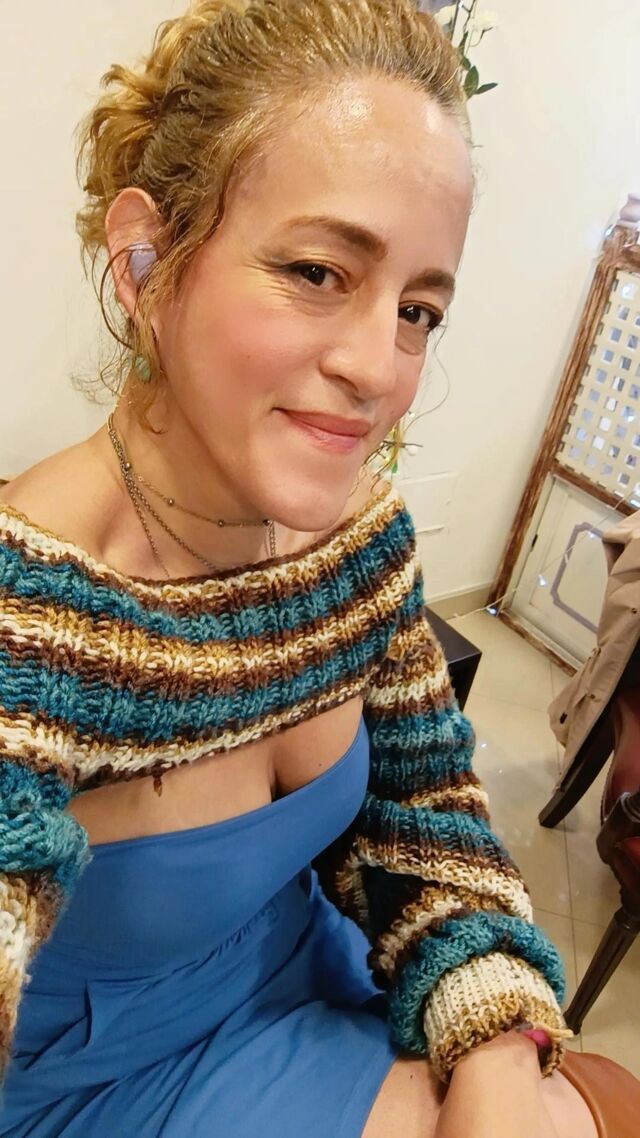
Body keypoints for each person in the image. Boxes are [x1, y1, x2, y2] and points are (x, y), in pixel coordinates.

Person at [0, 1, 636, 1135]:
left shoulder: (358, 546)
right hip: (105, 1088)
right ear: (146, 262)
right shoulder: (28, 635)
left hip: (320, 980)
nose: (379, 367)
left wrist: (494, 1052)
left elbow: (424, 816)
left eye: (419, 309)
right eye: (317, 270)